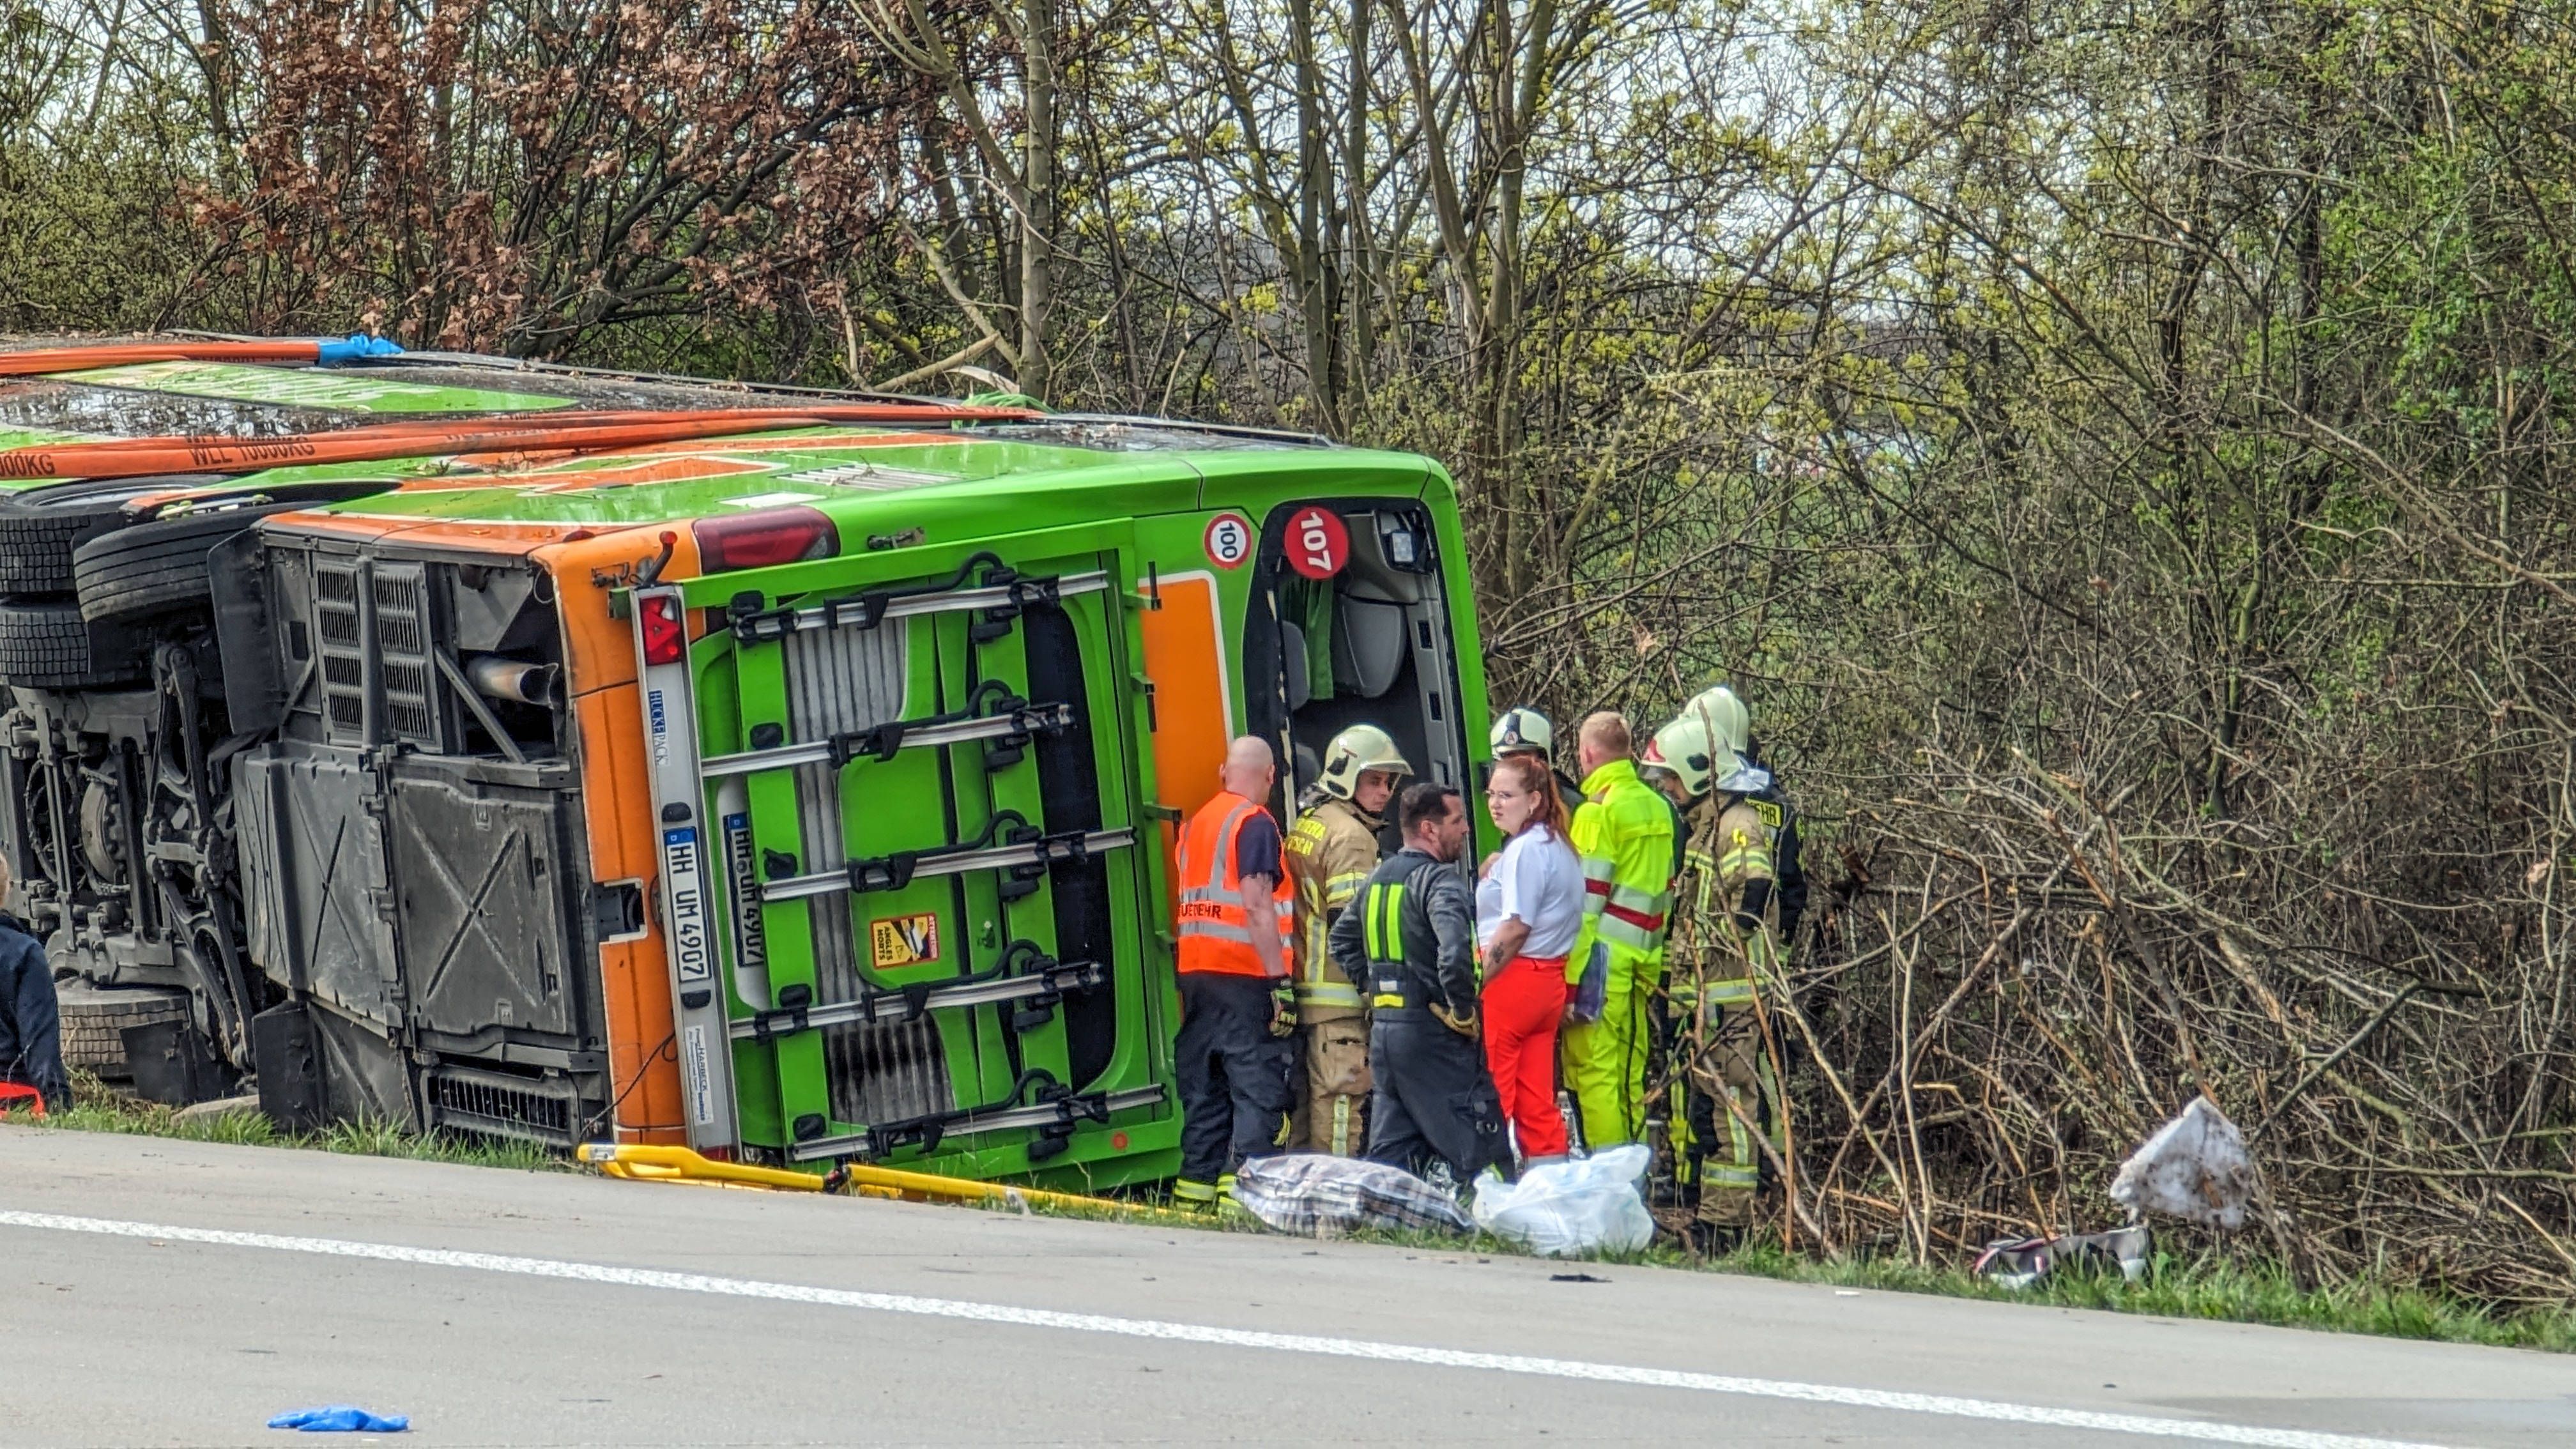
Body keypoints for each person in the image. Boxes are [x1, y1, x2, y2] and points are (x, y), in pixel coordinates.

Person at [1645, 707, 1789, 1252]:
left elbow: (1753, 896)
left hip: (1728, 1001)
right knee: (1711, 1112)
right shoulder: (1708, 826)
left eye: (1673, 779)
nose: (1669, 789)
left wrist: (1717, 947)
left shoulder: (1737, 827)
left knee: (1732, 1111)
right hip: (1705, 1001)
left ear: (1700, 772)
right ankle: (1712, 1216)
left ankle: (1727, 1225)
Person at [1330, 782, 1506, 1190]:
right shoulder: (1440, 882)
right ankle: (1499, 1221)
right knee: (1478, 1140)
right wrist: (1461, 1011)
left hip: (1387, 1036)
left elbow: (1341, 940)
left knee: (1393, 1154)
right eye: (1457, 821)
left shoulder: (1378, 879)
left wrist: (1376, 992)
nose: (1465, 830)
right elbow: (1456, 953)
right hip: (1434, 1034)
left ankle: (1382, 1220)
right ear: (1429, 829)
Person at [1171, 736, 1297, 1208]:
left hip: (1197, 975)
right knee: (1258, 1089)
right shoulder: (1255, 823)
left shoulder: (1197, 824)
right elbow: (1257, 904)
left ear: (1224, 771)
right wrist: (1279, 982)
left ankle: (1193, 1199)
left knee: (1207, 1092)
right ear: (1270, 776)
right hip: (1246, 976)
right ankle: (1244, 1201)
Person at [1284, 724, 1410, 1155]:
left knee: (1307, 1107)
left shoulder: (1311, 824)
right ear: (1345, 774)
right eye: (1374, 779)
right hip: (1338, 999)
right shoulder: (1353, 838)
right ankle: (1336, 1205)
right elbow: (1353, 927)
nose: (1385, 791)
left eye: (1390, 781)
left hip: (1306, 991)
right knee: (1340, 1104)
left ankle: (1304, 1205)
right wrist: (1374, 990)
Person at [1558, 711, 1677, 1152]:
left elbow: (1585, 907)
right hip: (1643, 961)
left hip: (1600, 967)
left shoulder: (1597, 811)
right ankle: (1632, 1181)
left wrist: (1568, 981)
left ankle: (1607, 1187)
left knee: (1595, 1077)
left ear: (1587, 754)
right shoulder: (1657, 805)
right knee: (1630, 1075)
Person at [1476, 753, 1583, 1166]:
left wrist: (1477, 979)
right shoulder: (1558, 846)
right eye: (1491, 794)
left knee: (1494, 1092)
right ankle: (1549, 1188)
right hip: (1548, 983)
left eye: (1507, 795)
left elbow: (1517, 927)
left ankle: (1489, 1186)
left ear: (1535, 799)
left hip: (1511, 980)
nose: (1496, 804)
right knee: (1537, 1099)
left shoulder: (1525, 850)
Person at [1683, 685, 1805, 951]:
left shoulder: (1700, 793)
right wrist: (1781, 949)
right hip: (1764, 955)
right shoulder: (1779, 802)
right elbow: (1793, 884)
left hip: (1705, 950)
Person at [0, 855, 65, 1112]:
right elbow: (40, 1046)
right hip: (10, 1099)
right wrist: (60, 1107)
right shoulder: (24, 953)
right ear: (7, 889)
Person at [1489, 707, 1583, 816]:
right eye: (1509, 759)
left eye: (1525, 757)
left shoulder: (1572, 807)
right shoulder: (1490, 806)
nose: (1517, 767)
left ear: (1545, 759)